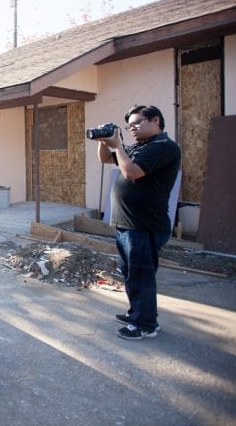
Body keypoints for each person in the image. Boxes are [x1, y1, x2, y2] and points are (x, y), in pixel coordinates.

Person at [96, 105, 181, 340]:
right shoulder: (139, 148)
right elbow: (106, 159)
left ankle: (145, 325)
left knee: (141, 275)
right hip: (127, 224)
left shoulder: (164, 148)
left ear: (155, 121)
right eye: (129, 125)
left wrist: (119, 146)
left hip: (144, 226)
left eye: (137, 123)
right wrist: (105, 141)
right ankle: (137, 314)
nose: (132, 128)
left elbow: (131, 172)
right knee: (131, 274)